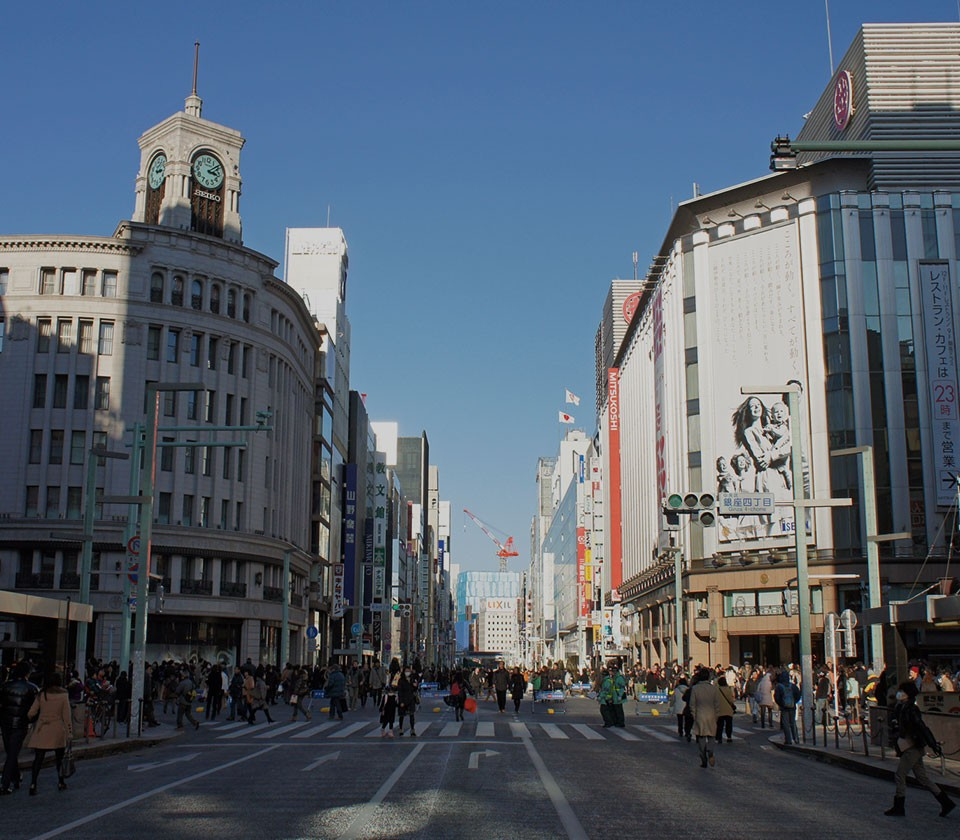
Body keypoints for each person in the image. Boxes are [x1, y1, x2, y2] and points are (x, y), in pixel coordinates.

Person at [885, 681, 955, 817]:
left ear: (908, 694)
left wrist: (932, 744)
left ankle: (899, 806)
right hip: (910, 746)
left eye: (903, 692)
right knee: (922, 777)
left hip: (913, 746)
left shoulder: (911, 709)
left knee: (900, 774)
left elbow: (921, 727)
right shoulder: (901, 707)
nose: (900, 694)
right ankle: (946, 802)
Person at [25, 672, 72, 795]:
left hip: (43, 728)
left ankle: (33, 783)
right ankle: (61, 781)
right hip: (57, 729)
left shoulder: (42, 694)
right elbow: (67, 716)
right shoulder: (63, 695)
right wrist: (69, 733)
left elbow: (31, 712)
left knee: (38, 759)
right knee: (59, 759)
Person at [0, 662, 38, 794]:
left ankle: (15, 777)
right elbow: (35, 709)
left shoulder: (5, 686)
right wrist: (31, 720)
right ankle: (5, 783)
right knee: (12, 753)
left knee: (11, 751)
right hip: (20, 724)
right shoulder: (31, 688)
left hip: (5, 723)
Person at [688, 669, 721, 768]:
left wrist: (694, 715)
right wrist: (716, 715)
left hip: (700, 715)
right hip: (711, 715)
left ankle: (703, 758)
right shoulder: (714, 689)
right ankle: (710, 751)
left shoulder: (695, 689)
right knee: (711, 736)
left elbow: (692, 704)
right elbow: (717, 704)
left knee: (701, 738)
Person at [774, 670, 800, 745]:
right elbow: (798, 695)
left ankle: (788, 740)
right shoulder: (793, 686)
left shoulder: (779, 686)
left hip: (784, 707)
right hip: (792, 706)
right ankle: (796, 738)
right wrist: (794, 702)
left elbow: (777, 697)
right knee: (793, 723)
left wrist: (781, 704)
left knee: (786, 724)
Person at [397, 667, 418, 737]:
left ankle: (412, 729)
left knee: (412, 715)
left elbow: (415, 689)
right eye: (406, 671)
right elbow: (400, 691)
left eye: (409, 671)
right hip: (403, 699)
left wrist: (415, 686)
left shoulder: (412, 679)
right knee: (402, 716)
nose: (407, 672)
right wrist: (401, 701)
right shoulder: (401, 680)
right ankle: (401, 729)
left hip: (411, 699)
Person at [716, 675, 736, 744]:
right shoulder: (728, 689)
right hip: (728, 710)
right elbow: (731, 700)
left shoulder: (717, 690)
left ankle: (719, 738)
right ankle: (729, 737)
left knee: (720, 725)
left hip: (720, 710)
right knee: (729, 724)